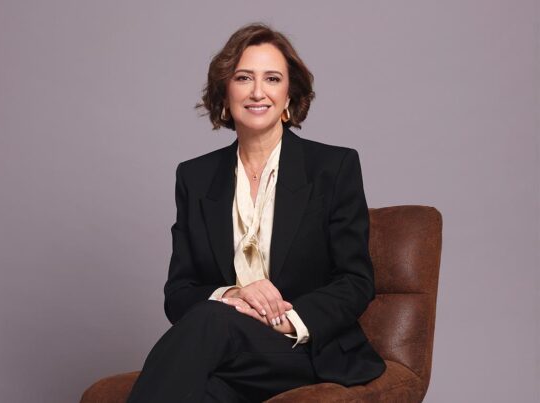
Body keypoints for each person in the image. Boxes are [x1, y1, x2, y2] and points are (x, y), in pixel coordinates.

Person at [126, 22, 385, 403]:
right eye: (244, 77)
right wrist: (234, 294)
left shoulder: (333, 167)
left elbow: (356, 280)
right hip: (230, 354)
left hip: (303, 348)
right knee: (204, 389)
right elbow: (178, 294)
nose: (258, 92)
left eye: (272, 79)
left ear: (289, 94)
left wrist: (283, 320)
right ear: (225, 91)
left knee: (211, 317)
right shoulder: (195, 177)